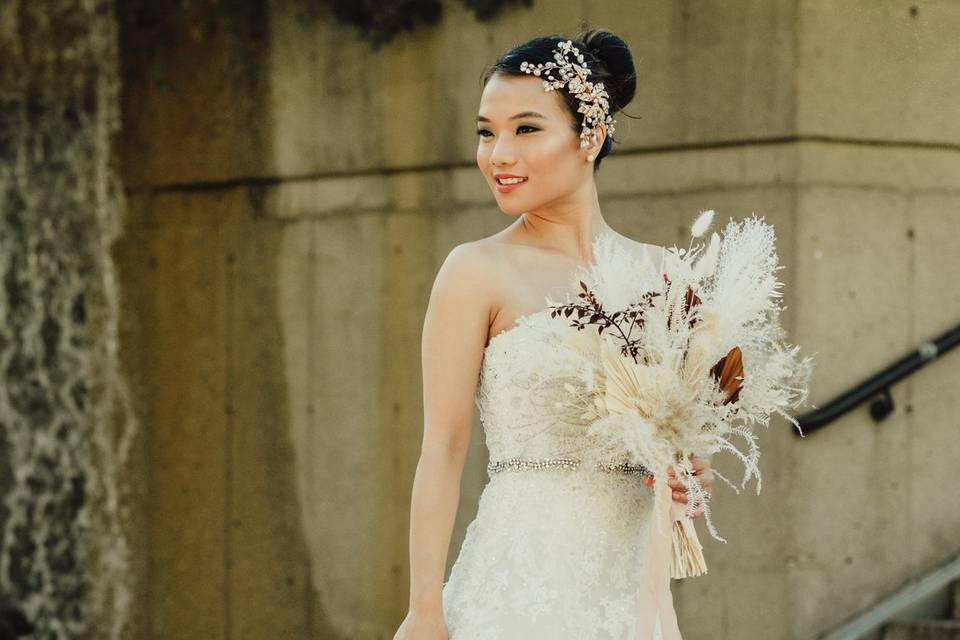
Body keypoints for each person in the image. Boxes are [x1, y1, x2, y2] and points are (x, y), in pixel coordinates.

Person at [394, 30, 715, 640]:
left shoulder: (664, 276)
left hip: (630, 593)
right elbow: (442, 448)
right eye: (487, 131)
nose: (498, 155)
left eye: (526, 129)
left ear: (589, 137)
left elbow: (682, 452)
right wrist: (424, 609)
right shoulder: (475, 270)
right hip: (515, 586)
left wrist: (689, 476)